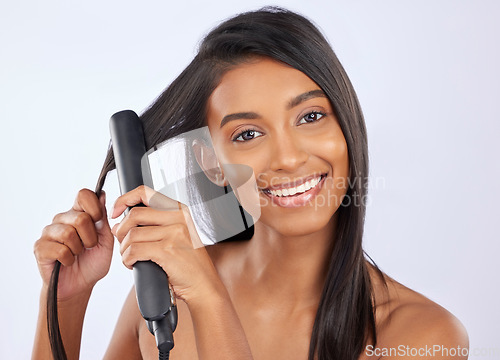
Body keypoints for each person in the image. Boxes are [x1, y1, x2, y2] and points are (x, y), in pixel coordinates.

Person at [32, 7, 469, 360]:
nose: (289, 157)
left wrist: (209, 298)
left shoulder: (423, 335)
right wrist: (64, 301)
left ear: (347, 125)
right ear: (212, 162)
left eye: (311, 116)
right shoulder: (167, 294)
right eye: (247, 134)